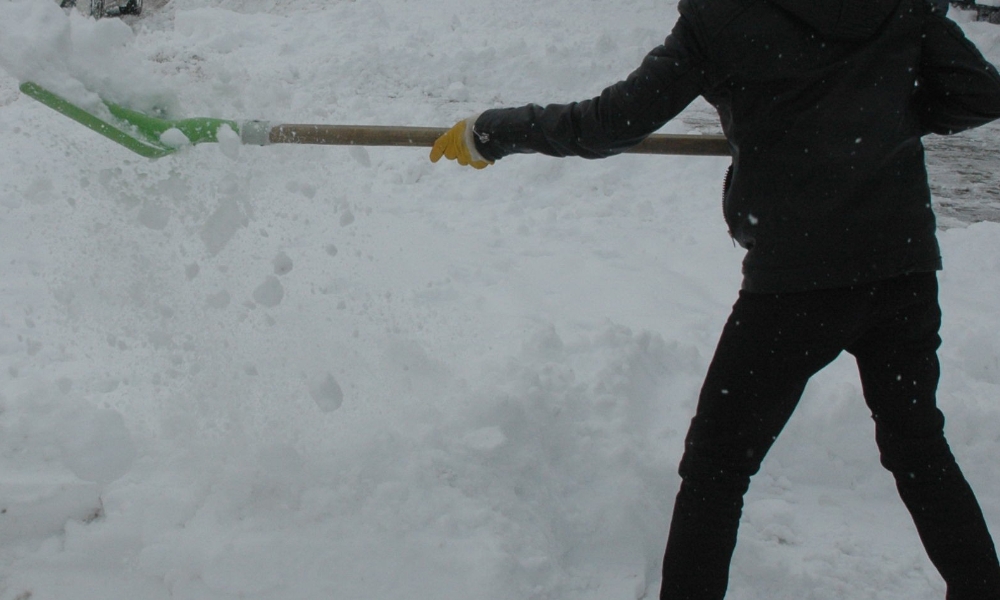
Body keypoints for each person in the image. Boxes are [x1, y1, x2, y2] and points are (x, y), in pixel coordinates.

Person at [429, 0, 1000, 597]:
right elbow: (980, 93)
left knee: (716, 470)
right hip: (900, 268)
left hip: (798, 285)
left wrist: (493, 131)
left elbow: (610, 122)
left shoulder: (724, 16)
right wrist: (874, 121)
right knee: (919, 448)